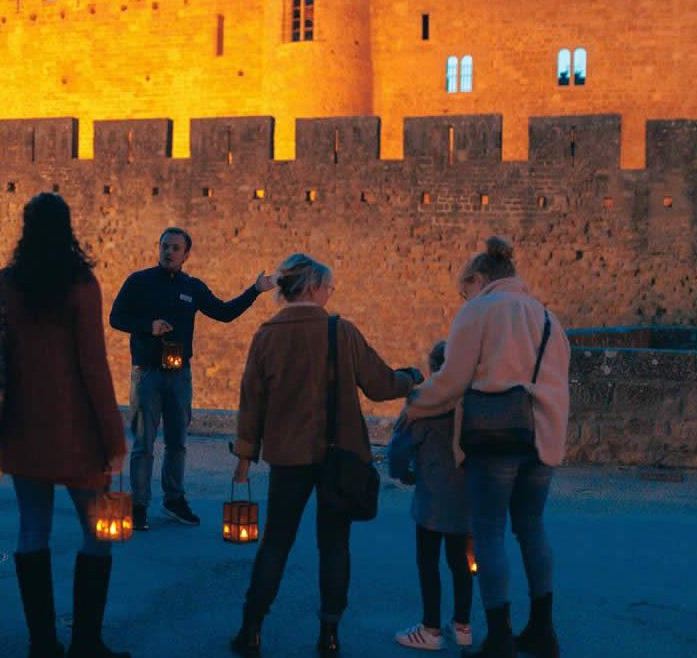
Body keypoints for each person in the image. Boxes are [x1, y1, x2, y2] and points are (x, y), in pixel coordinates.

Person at [229, 253, 423, 658]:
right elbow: (380, 383)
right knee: (334, 545)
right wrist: (413, 379)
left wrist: (245, 456)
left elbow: (252, 402)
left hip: (287, 455)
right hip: (340, 455)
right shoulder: (340, 331)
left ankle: (251, 628)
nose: (330, 294)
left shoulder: (266, 334)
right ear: (313, 287)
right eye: (329, 287)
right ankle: (330, 635)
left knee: (276, 543)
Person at [0, 193, 129, 658]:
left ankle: (42, 644)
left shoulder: (2, 284)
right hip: (77, 433)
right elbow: (93, 368)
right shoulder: (81, 285)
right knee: (97, 534)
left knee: (31, 530)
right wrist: (114, 438)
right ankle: (86, 642)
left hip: (23, 427)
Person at [405, 237, 570, 658]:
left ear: (479, 279)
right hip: (542, 438)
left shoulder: (478, 311)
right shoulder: (550, 320)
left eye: (465, 289)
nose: (465, 297)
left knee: (490, 532)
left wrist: (414, 403)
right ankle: (543, 630)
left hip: (494, 439)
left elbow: (451, 381)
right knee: (532, 527)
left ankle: (499, 637)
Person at [110, 227, 275, 530]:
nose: (168, 252)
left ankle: (174, 499)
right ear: (157, 248)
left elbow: (225, 313)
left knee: (177, 443)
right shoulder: (138, 282)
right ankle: (139, 505)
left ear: (186, 255)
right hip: (146, 374)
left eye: (175, 248)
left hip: (179, 376)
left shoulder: (193, 287)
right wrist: (149, 326)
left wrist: (255, 290)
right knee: (143, 444)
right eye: (164, 246)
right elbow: (116, 318)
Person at [391, 341, 474, 652]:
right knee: (460, 562)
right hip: (466, 497)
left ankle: (431, 628)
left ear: (432, 367)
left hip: (432, 498)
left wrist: (405, 474)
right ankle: (463, 625)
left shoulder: (423, 403)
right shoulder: (472, 398)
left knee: (428, 562)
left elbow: (399, 450)